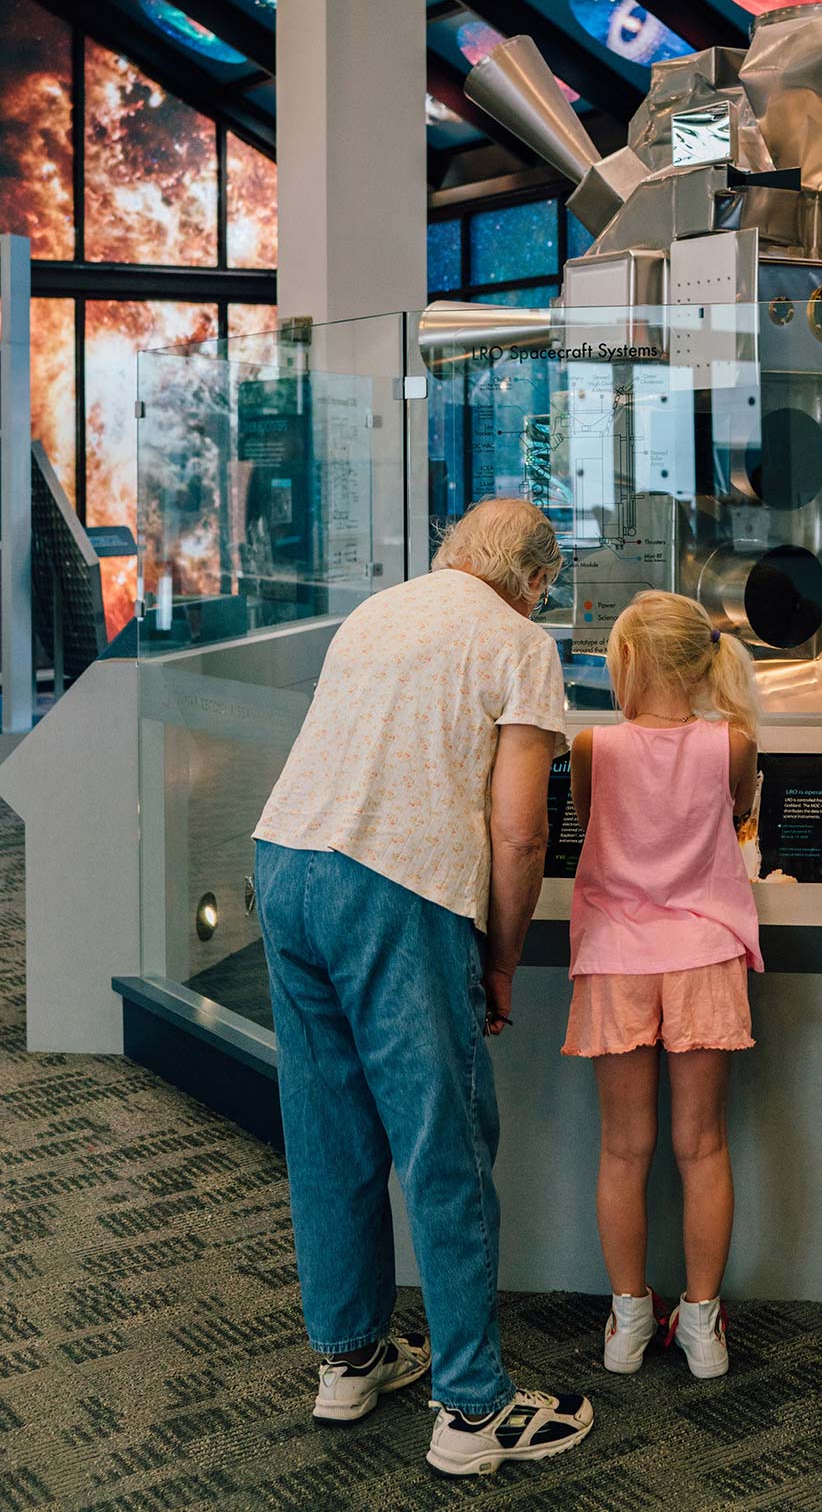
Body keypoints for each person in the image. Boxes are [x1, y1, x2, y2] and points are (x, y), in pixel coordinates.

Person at [252, 498, 594, 1478]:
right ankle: (474, 1410)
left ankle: (350, 1356)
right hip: (394, 888)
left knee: (329, 1130)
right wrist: (498, 958)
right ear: (536, 579)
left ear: (453, 551)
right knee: (444, 1144)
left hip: (288, 863)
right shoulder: (518, 640)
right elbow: (522, 830)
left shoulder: (379, 609)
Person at [564, 591, 762, 1381]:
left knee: (623, 1146)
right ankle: (704, 1324)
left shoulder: (591, 747)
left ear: (627, 664)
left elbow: (592, 825)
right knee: (703, 1144)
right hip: (705, 955)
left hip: (616, 956)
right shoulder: (734, 744)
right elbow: (736, 818)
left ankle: (627, 1319)